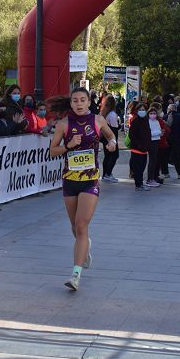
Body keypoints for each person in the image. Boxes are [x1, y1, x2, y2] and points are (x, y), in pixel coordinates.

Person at [48, 87, 118, 291]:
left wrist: (112, 144)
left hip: (90, 180)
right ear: (70, 104)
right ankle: (85, 248)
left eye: (82, 100)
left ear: (89, 102)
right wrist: (68, 146)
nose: (78, 104)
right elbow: (53, 151)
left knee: (80, 225)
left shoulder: (97, 120)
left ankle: (75, 275)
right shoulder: (63, 124)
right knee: (76, 229)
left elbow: (111, 136)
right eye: (75, 100)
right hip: (70, 180)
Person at [128, 102, 151, 191]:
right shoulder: (135, 121)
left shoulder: (146, 120)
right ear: (137, 111)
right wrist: (139, 144)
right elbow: (132, 135)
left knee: (142, 167)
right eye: (140, 110)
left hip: (144, 149)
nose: (142, 111)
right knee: (138, 168)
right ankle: (138, 185)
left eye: (143, 110)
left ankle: (140, 183)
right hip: (137, 149)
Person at [100, 95, 120, 182]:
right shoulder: (112, 114)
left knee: (107, 156)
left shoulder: (103, 113)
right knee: (115, 155)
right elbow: (115, 128)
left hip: (104, 137)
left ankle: (105, 174)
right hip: (111, 137)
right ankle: (108, 173)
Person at [165, 102, 180, 179]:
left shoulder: (165, 116)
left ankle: (165, 173)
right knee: (177, 157)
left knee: (165, 156)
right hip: (176, 139)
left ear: (170, 109)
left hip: (167, 139)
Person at [145, 104, 164, 187]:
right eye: (151, 113)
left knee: (154, 161)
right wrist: (159, 133)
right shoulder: (148, 121)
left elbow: (159, 130)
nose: (153, 115)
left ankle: (152, 178)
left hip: (156, 141)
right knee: (152, 161)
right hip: (151, 142)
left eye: (154, 113)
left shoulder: (156, 121)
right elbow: (149, 133)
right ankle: (150, 179)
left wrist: (160, 133)